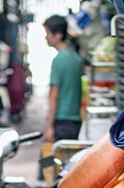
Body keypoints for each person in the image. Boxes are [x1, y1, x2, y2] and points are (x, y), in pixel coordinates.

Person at [43, 14, 83, 143]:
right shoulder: (75, 57)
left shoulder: (58, 60)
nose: (46, 37)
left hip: (62, 121)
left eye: (48, 33)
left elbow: (54, 95)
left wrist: (49, 126)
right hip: (75, 120)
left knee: (54, 160)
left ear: (58, 35)